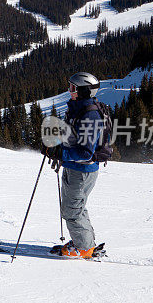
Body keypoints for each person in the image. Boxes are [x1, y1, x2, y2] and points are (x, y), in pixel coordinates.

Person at [44, 72, 105, 258]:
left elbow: (85, 153)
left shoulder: (89, 116)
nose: (69, 91)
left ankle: (84, 248)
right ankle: (85, 243)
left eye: (73, 88)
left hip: (81, 171)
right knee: (77, 207)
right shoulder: (78, 108)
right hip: (75, 169)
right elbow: (73, 138)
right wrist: (55, 145)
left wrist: (60, 153)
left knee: (71, 211)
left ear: (84, 91)